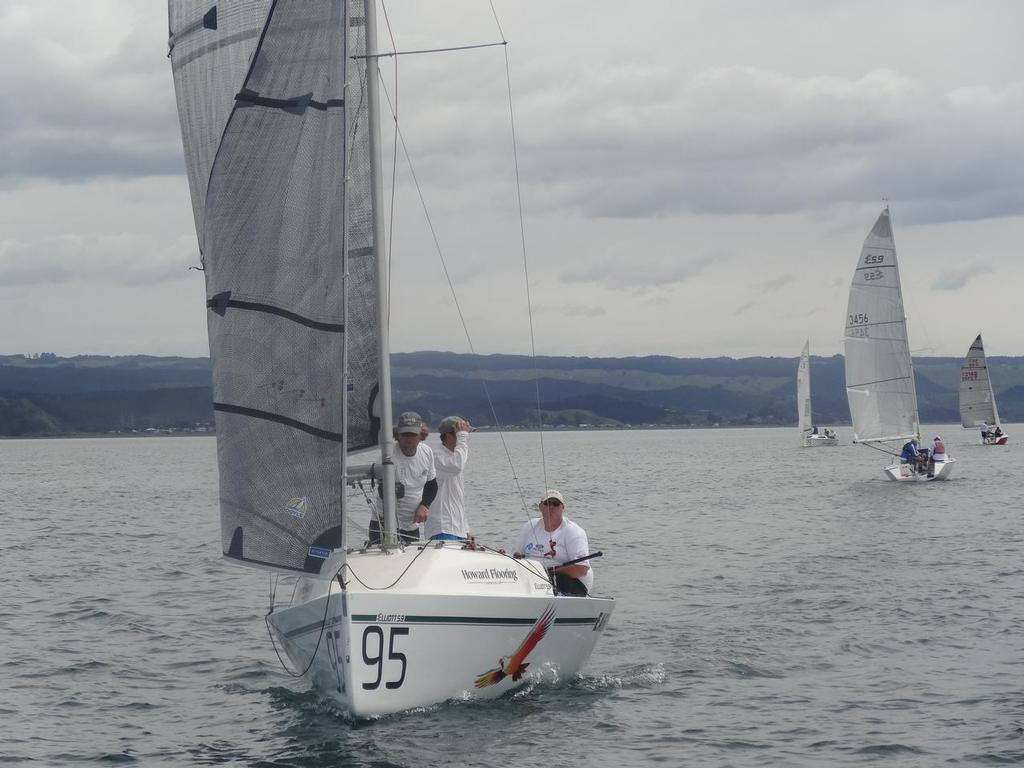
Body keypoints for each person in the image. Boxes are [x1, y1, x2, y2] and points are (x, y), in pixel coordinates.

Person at [369, 411, 436, 545]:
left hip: (412, 525)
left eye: (413, 434)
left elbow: (432, 484)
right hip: (384, 524)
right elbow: (383, 492)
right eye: (405, 434)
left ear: (421, 435)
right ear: (397, 434)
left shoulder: (427, 452)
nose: (408, 438)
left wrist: (425, 505)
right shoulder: (388, 457)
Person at [513, 490, 593, 596]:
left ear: (563, 508)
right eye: (547, 503)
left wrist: (548, 573)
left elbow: (581, 569)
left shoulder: (573, 531)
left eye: (556, 504)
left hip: (571, 583)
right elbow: (517, 556)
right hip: (534, 578)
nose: (551, 507)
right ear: (540, 507)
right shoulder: (530, 526)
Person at [425, 416, 471, 541]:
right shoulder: (436, 456)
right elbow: (457, 466)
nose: (466, 438)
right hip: (442, 527)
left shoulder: (453, 456)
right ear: (449, 436)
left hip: (457, 528)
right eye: (460, 435)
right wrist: (462, 439)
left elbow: (457, 498)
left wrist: (465, 529)